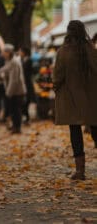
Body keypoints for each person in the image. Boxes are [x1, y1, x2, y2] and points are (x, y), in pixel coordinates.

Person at [53, 20, 97, 180]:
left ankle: (80, 171)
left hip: (71, 98)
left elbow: (58, 75)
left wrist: (56, 86)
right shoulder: (91, 50)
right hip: (92, 98)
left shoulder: (64, 52)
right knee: (96, 129)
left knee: (75, 132)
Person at [0, 44, 26, 134]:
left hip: (16, 91)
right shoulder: (9, 62)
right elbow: (1, 72)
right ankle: (15, 127)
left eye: (3, 52)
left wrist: (8, 93)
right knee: (13, 110)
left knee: (16, 110)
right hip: (12, 91)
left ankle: (17, 128)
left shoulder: (14, 63)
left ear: (8, 53)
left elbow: (14, 80)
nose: (2, 54)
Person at [19, 47, 36, 124]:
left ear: (24, 52)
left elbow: (27, 72)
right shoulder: (23, 60)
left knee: (26, 101)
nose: (19, 53)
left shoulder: (28, 60)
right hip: (26, 84)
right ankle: (26, 117)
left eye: (20, 51)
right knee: (25, 102)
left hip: (27, 84)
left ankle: (26, 117)